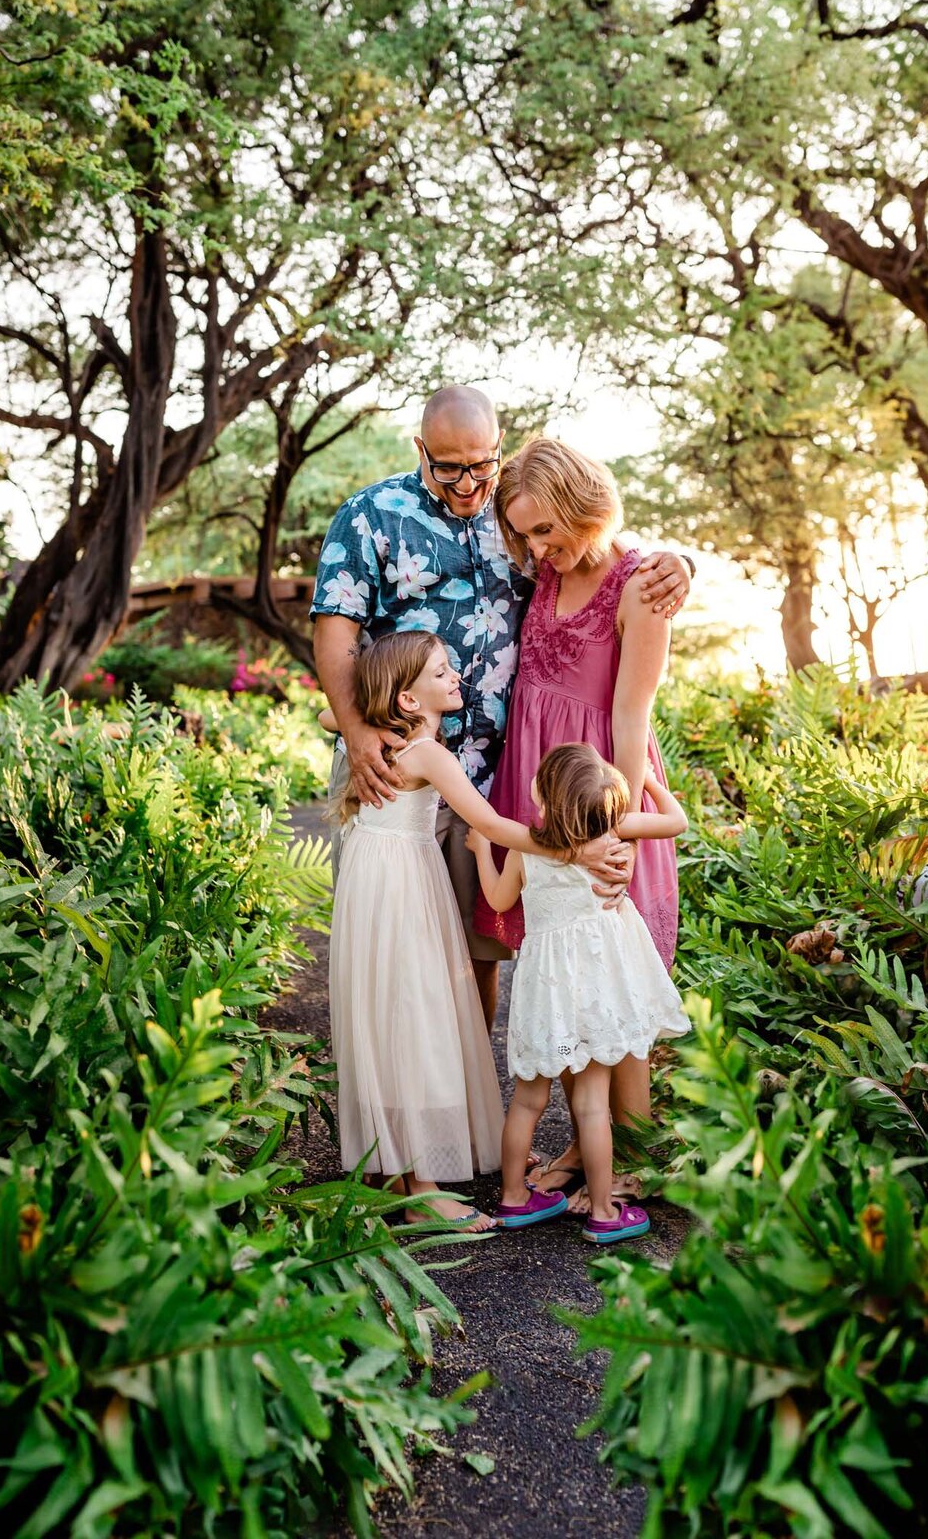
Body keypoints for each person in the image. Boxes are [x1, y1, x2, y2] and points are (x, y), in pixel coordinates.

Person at [311, 386, 694, 1030]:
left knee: (477, 951)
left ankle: (471, 1100)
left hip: (488, 774)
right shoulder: (371, 514)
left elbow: (600, 556)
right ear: (420, 450)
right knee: (387, 943)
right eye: (448, 465)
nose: (467, 482)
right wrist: (355, 734)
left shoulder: (516, 518)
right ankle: (392, 1094)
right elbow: (335, 631)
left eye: (480, 463)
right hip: (394, 766)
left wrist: (682, 562)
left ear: (499, 449)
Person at [330, 631, 592, 1229]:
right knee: (414, 1017)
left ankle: (390, 1165)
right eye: (441, 672)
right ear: (408, 701)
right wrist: (569, 849)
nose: (455, 677)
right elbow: (492, 824)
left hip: (378, 881)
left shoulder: (395, 739)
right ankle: (421, 1189)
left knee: (389, 1013)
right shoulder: (428, 754)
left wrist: (366, 716)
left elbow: (329, 710)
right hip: (401, 886)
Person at [479, 435, 682, 1206]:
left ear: (580, 506)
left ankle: (631, 1157)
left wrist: (612, 833)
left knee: (615, 984)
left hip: (597, 797)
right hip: (540, 795)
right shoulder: (546, 570)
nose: (536, 549)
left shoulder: (638, 582)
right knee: (565, 980)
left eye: (545, 529)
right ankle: (584, 1148)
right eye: (524, 534)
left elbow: (631, 718)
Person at [470, 744, 690, 1243]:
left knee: (527, 1101)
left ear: (543, 797)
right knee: (593, 1104)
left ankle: (513, 1199)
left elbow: (499, 900)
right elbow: (676, 822)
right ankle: (605, 1212)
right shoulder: (611, 834)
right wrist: (651, 781)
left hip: (551, 1012)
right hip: (593, 1010)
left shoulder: (527, 846)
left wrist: (484, 849)